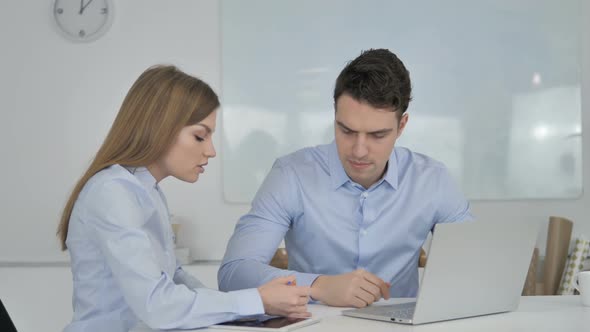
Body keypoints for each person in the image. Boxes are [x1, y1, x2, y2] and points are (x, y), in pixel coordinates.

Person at [57, 65, 311, 332]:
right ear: (159, 128)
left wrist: (250, 311)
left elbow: (174, 278)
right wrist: (255, 301)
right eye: (200, 136)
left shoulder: (147, 191)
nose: (211, 151)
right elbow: (158, 305)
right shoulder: (112, 193)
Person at [218, 49, 473, 308]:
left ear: (402, 126)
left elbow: (476, 264)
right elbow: (233, 273)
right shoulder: (291, 175)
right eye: (347, 130)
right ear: (334, 116)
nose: (359, 150)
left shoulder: (432, 180)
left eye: (377, 135)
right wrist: (319, 286)